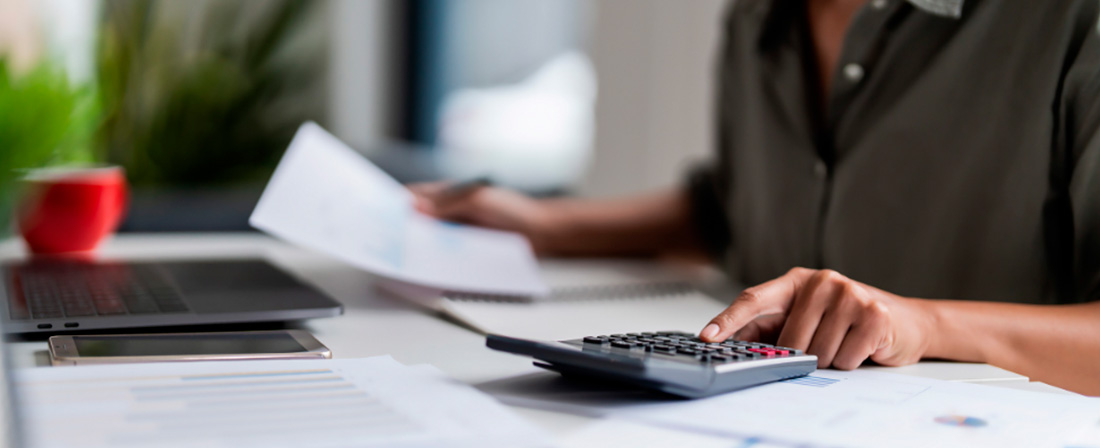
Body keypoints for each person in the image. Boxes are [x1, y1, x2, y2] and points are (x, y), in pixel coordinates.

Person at [411, 0, 1100, 395]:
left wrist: (919, 324)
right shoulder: (757, 16)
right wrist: (545, 226)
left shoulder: (1071, 21)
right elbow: (736, 205)